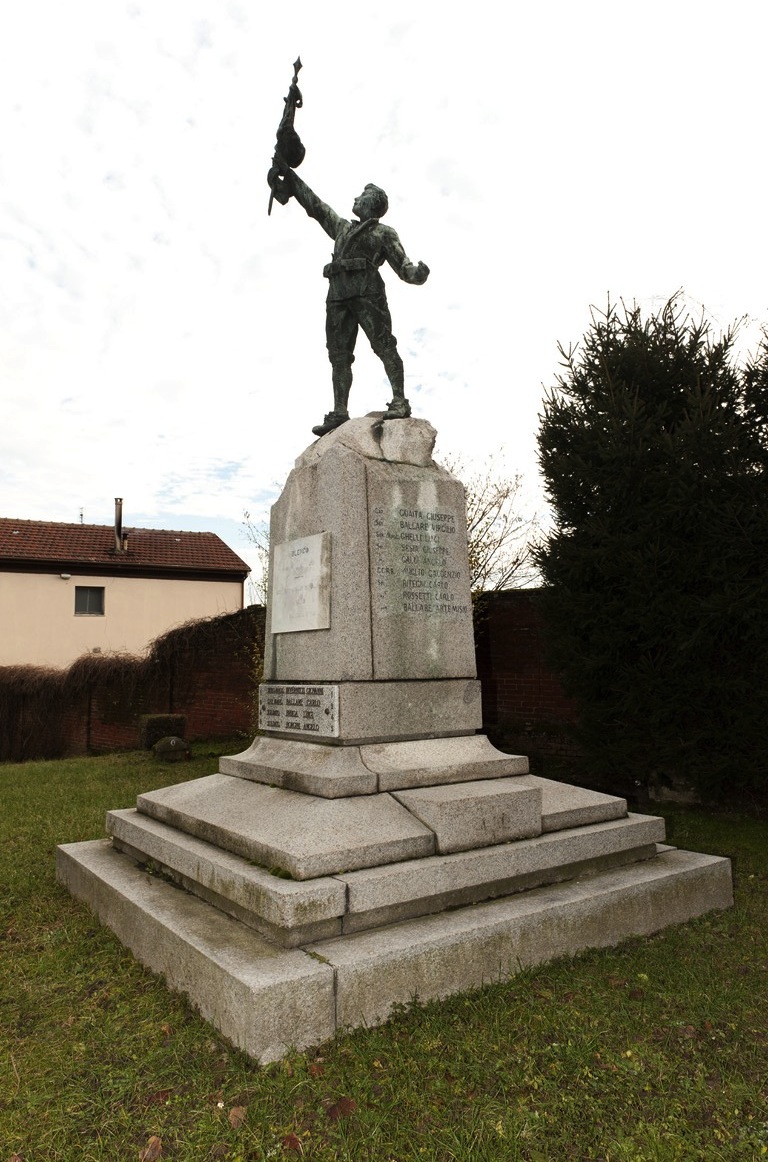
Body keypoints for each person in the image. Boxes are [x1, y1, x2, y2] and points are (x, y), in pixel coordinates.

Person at [277, 166, 430, 436]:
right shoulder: (342, 229)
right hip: (337, 295)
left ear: (371, 203)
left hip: (368, 292)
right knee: (338, 356)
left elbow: (402, 265)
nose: (355, 200)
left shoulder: (384, 233)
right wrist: (290, 178)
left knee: (383, 344)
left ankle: (399, 401)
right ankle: (339, 411)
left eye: (360, 197)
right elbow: (316, 206)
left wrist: (417, 274)